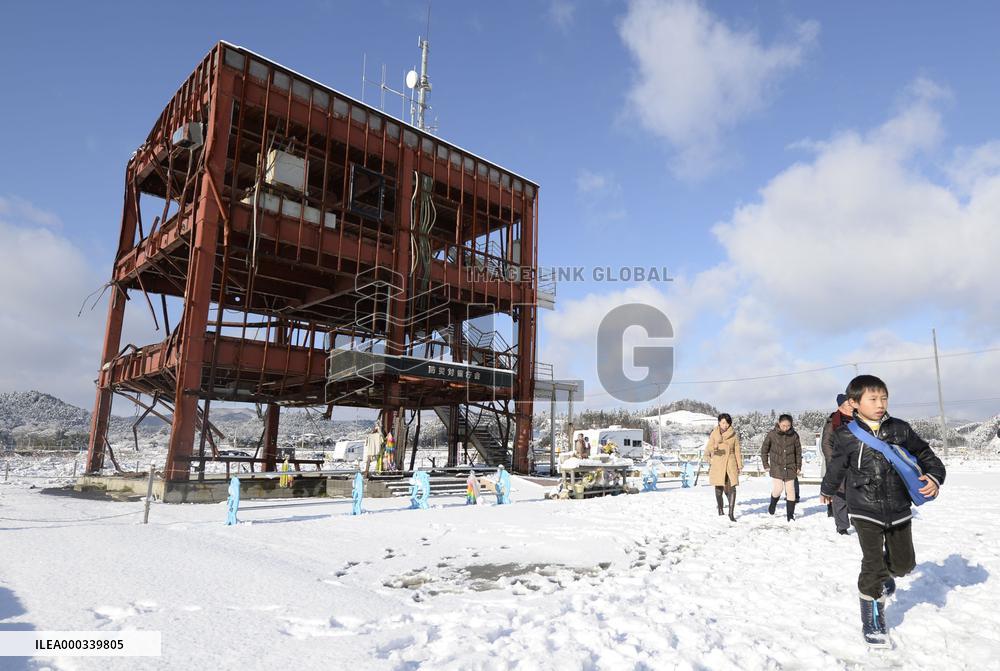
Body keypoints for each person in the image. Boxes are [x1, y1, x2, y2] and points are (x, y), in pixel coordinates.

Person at [820, 375, 945, 647]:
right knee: (872, 565)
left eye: (884, 398)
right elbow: (837, 467)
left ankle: (886, 575)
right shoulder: (846, 435)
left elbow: (926, 454)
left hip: (899, 506)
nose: (880, 404)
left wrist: (934, 477)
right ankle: (873, 620)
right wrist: (827, 490)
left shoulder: (900, 429)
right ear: (854, 403)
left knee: (904, 564)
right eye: (873, 399)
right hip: (864, 508)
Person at [821, 393, 854, 534]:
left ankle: (859, 521)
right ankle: (842, 526)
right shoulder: (833, 422)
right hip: (838, 463)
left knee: (856, 493)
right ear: (840, 406)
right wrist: (833, 462)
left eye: (852, 404)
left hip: (855, 462)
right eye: (848, 405)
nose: (851, 407)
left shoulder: (858, 420)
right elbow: (826, 443)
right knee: (840, 495)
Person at [761, 414, 802, 521]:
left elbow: (798, 452)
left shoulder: (794, 435)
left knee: (791, 490)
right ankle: (772, 505)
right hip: (776, 466)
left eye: (788, 426)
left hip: (790, 466)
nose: (785, 428)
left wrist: (798, 466)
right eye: (783, 425)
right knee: (778, 489)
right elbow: (764, 450)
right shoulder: (772, 434)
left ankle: (790, 515)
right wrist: (766, 464)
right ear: (779, 423)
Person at [704, 413, 743, 522]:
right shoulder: (714, 434)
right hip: (718, 462)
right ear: (719, 423)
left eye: (727, 423)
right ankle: (720, 509)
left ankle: (731, 513)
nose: (725, 425)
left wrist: (739, 465)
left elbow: (737, 451)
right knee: (719, 488)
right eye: (723, 423)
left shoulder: (734, 435)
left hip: (730, 462)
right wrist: (714, 448)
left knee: (732, 488)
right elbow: (708, 449)